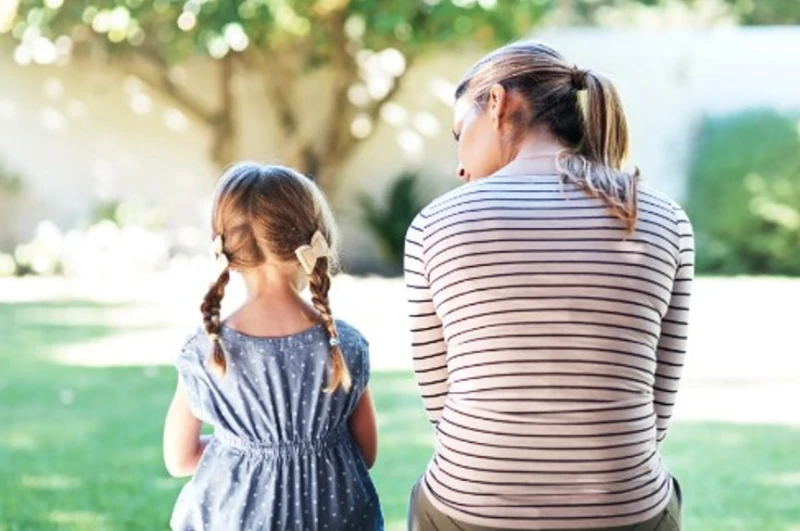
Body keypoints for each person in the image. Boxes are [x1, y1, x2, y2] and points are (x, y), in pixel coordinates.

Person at [404, 41, 693, 531]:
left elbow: (442, 402)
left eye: (459, 133)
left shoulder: (436, 224)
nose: (459, 165)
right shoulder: (664, 219)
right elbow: (657, 407)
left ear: (497, 103)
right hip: (623, 509)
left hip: (474, 506)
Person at [163, 163, 383, 530]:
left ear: (226, 250)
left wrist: (240, 449)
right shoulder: (344, 344)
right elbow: (367, 452)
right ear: (314, 241)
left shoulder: (206, 351)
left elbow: (179, 459)